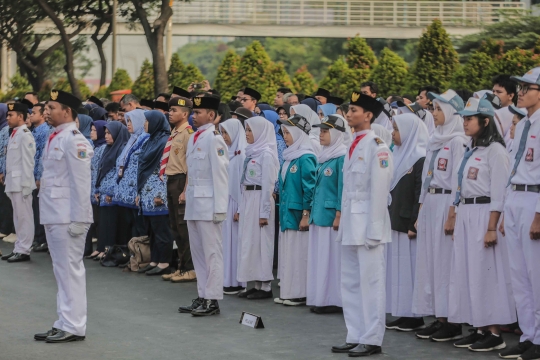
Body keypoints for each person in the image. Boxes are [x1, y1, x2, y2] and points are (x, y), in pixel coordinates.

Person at [446, 97, 516, 352]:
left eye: (470, 119)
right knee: (468, 272)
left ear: (485, 121)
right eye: (463, 118)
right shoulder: (471, 148)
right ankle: (479, 326)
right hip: (468, 212)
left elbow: (499, 191)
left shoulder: (496, 150)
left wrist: (490, 227)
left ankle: (494, 331)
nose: (464, 123)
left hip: (485, 213)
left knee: (487, 273)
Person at [331, 91, 391, 357]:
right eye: (349, 109)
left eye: (354, 109)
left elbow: (379, 191)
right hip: (351, 224)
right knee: (351, 282)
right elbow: (347, 191)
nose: (349, 113)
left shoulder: (377, 146)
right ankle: (354, 333)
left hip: (368, 224)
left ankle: (372, 338)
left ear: (368, 115)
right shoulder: (352, 144)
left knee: (371, 283)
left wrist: (375, 230)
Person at [34, 89, 94, 343]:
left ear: (67, 111)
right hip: (54, 213)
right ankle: (63, 321)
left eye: (52, 107)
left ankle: (74, 325)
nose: (46, 112)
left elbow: (81, 184)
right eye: (46, 108)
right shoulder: (56, 136)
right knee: (61, 271)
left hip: (68, 217)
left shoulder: (75, 140)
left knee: (70, 270)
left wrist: (80, 219)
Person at [412, 89, 467, 342]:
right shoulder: (435, 139)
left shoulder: (457, 141)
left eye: (438, 109)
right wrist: (421, 209)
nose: (434, 114)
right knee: (431, 261)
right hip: (431, 201)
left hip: (446, 202)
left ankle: (451, 320)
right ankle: (437, 316)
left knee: (445, 262)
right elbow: (426, 179)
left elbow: (458, 179)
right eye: (433, 109)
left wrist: (453, 214)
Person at [498, 67, 540, 360]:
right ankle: (528, 334)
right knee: (519, 275)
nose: (521, 92)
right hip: (515, 198)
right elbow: (514, 169)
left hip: (534, 200)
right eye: (520, 87)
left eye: (527, 87)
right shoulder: (524, 124)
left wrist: (539, 214)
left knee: (536, 274)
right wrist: (503, 209)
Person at [178, 96, 229, 316]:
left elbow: (220, 176)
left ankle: (213, 299)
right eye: (193, 112)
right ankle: (202, 295)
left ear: (211, 115)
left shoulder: (214, 138)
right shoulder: (195, 137)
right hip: (195, 204)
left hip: (209, 205)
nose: (193, 115)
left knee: (212, 254)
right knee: (198, 253)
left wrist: (220, 208)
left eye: (198, 112)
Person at [385, 114, 428, 332]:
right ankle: (402, 312)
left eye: (396, 129)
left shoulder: (419, 157)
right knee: (399, 270)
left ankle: (414, 316)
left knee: (410, 269)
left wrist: (414, 223)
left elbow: (419, 193)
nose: (393, 134)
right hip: (395, 220)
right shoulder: (398, 154)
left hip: (407, 224)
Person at [307, 115, 349, 314]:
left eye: (325, 131)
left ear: (336, 133)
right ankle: (321, 297)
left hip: (331, 216)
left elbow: (343, 188)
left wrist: (339, 214)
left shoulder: (341, 157)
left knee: (332, 260)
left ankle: (334, 299)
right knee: (321, 258)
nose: (321, 135)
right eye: (321, 131)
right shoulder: (324, 156)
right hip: (319, 214)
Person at [276, 114, 317, 306]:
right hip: (287, 213)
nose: (285, 136)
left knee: (299, 254)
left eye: (288, 132)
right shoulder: (288, 156)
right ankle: (289, 291)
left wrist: (306, 214)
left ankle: (300, 293)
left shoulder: (306, 157)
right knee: (289, 253)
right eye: (283, 132)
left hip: (298, 213)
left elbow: (310, 188)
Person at [236, 116, 279, 300]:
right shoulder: (252, 152)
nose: (246, 134)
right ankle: (255, 282)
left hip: (260, 199)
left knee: (263, 243)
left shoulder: (266, 155)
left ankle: (266, 286)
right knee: (250, 242)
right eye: (246, 130)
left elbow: (268, 185)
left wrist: (264, 212)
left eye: (250, 130)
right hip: (248, 199)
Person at [160, 97, 196, 283]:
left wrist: (185, 190)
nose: (170, 113)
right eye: (170, 110)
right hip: (171, 180)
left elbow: (191, 166)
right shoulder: (174, 133)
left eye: (174, 110)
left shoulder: (188, 134)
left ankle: (190, 268)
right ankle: (182, 267)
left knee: (184, 228)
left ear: (185, 114)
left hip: (181, 181)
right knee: (175, 226)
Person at [137, 111, 174, 276]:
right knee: (152, 229)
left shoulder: (165, 141)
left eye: (147, 121)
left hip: (159, 191)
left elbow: (166, 169)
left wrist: (162, 194)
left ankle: (165, 262)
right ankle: (154, 260)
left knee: (162, 230)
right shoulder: (150, 140)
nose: (144, 124)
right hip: (147, 191)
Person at [1, 102, 36, 263]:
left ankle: (24, 250)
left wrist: (26, 185)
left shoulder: (25, 134)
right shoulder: (15, 133)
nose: (8, 118)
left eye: (11, 115)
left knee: (24, 217)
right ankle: (19, 247)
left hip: (22, 184)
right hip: (13, 183)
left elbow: (28, 163)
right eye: (7, 115)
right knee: (18, 217)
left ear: (20, 116)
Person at [218, 118, 248, 295]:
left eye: (226, 133)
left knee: (235, 242)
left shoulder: (240, 156)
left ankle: (237, 281)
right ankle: (226, 279)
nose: (224, 136)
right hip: (226, 202)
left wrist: (239, 209)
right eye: (222, 133)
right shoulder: (228, 153)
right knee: (226, 241)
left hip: (236, 203)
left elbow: (241, 186)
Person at [94, 122, 130, 260]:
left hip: (112, 194)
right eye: (106, 133)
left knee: (110, 223)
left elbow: (118, 173)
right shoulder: (107, 149)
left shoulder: (121, 149)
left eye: (110, 133)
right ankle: (103, 248)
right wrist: (98, 188)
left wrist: (110, 191)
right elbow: (101, 170)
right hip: (103, 192)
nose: (107, 136)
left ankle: (109, 249)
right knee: (103, 223)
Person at [113, 110, 148, 241]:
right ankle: (133, 255)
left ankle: (141, 256)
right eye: (127, 121)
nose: (128, 124)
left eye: (131, 121)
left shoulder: (144, 139)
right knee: (130, 226)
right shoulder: (132, 139)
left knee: (139, 226)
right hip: (126, 191)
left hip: (135, 190)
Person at [84, 121, 107, 258]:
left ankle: (100, 248)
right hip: (90, 188)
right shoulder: (95, 146)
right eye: (91, 129)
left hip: (96, 190)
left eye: (94, 130)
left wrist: (97, 189)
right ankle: (91, 248)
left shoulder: (103, 148)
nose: (91, 132)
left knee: (98, 222)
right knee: (90, 221)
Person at [30, 103, 50, 252]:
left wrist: (38, 176)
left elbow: (41, 157)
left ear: (42, 115)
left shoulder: (44, 132)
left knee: (41, 210)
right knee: (35, 210)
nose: (30, 115)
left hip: (39, 177)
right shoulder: (35, 131)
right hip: (32, 175)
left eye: (34, 113)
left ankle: (42, 239)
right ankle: (38, 238)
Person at [0, 103, 14, 240]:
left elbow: (3, 153)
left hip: (9, 172)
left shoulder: (7, 130)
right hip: (5, 170)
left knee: (6, 201)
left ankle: (6, 228)